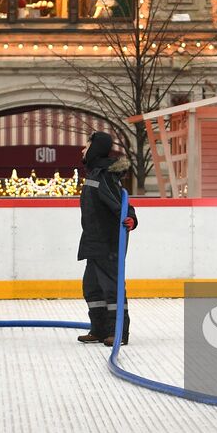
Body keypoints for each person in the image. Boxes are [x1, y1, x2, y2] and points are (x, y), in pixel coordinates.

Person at [76, 131, 138, 346]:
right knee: (92, 288)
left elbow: (121, 204)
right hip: (93, 241)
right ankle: (100, 329)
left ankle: (118, 331)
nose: (82, 150)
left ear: (95, 148)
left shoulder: (104, 175)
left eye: (86, 146)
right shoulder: (94, 175)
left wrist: (130, 218)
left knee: (111, 288)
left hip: (107, 242)